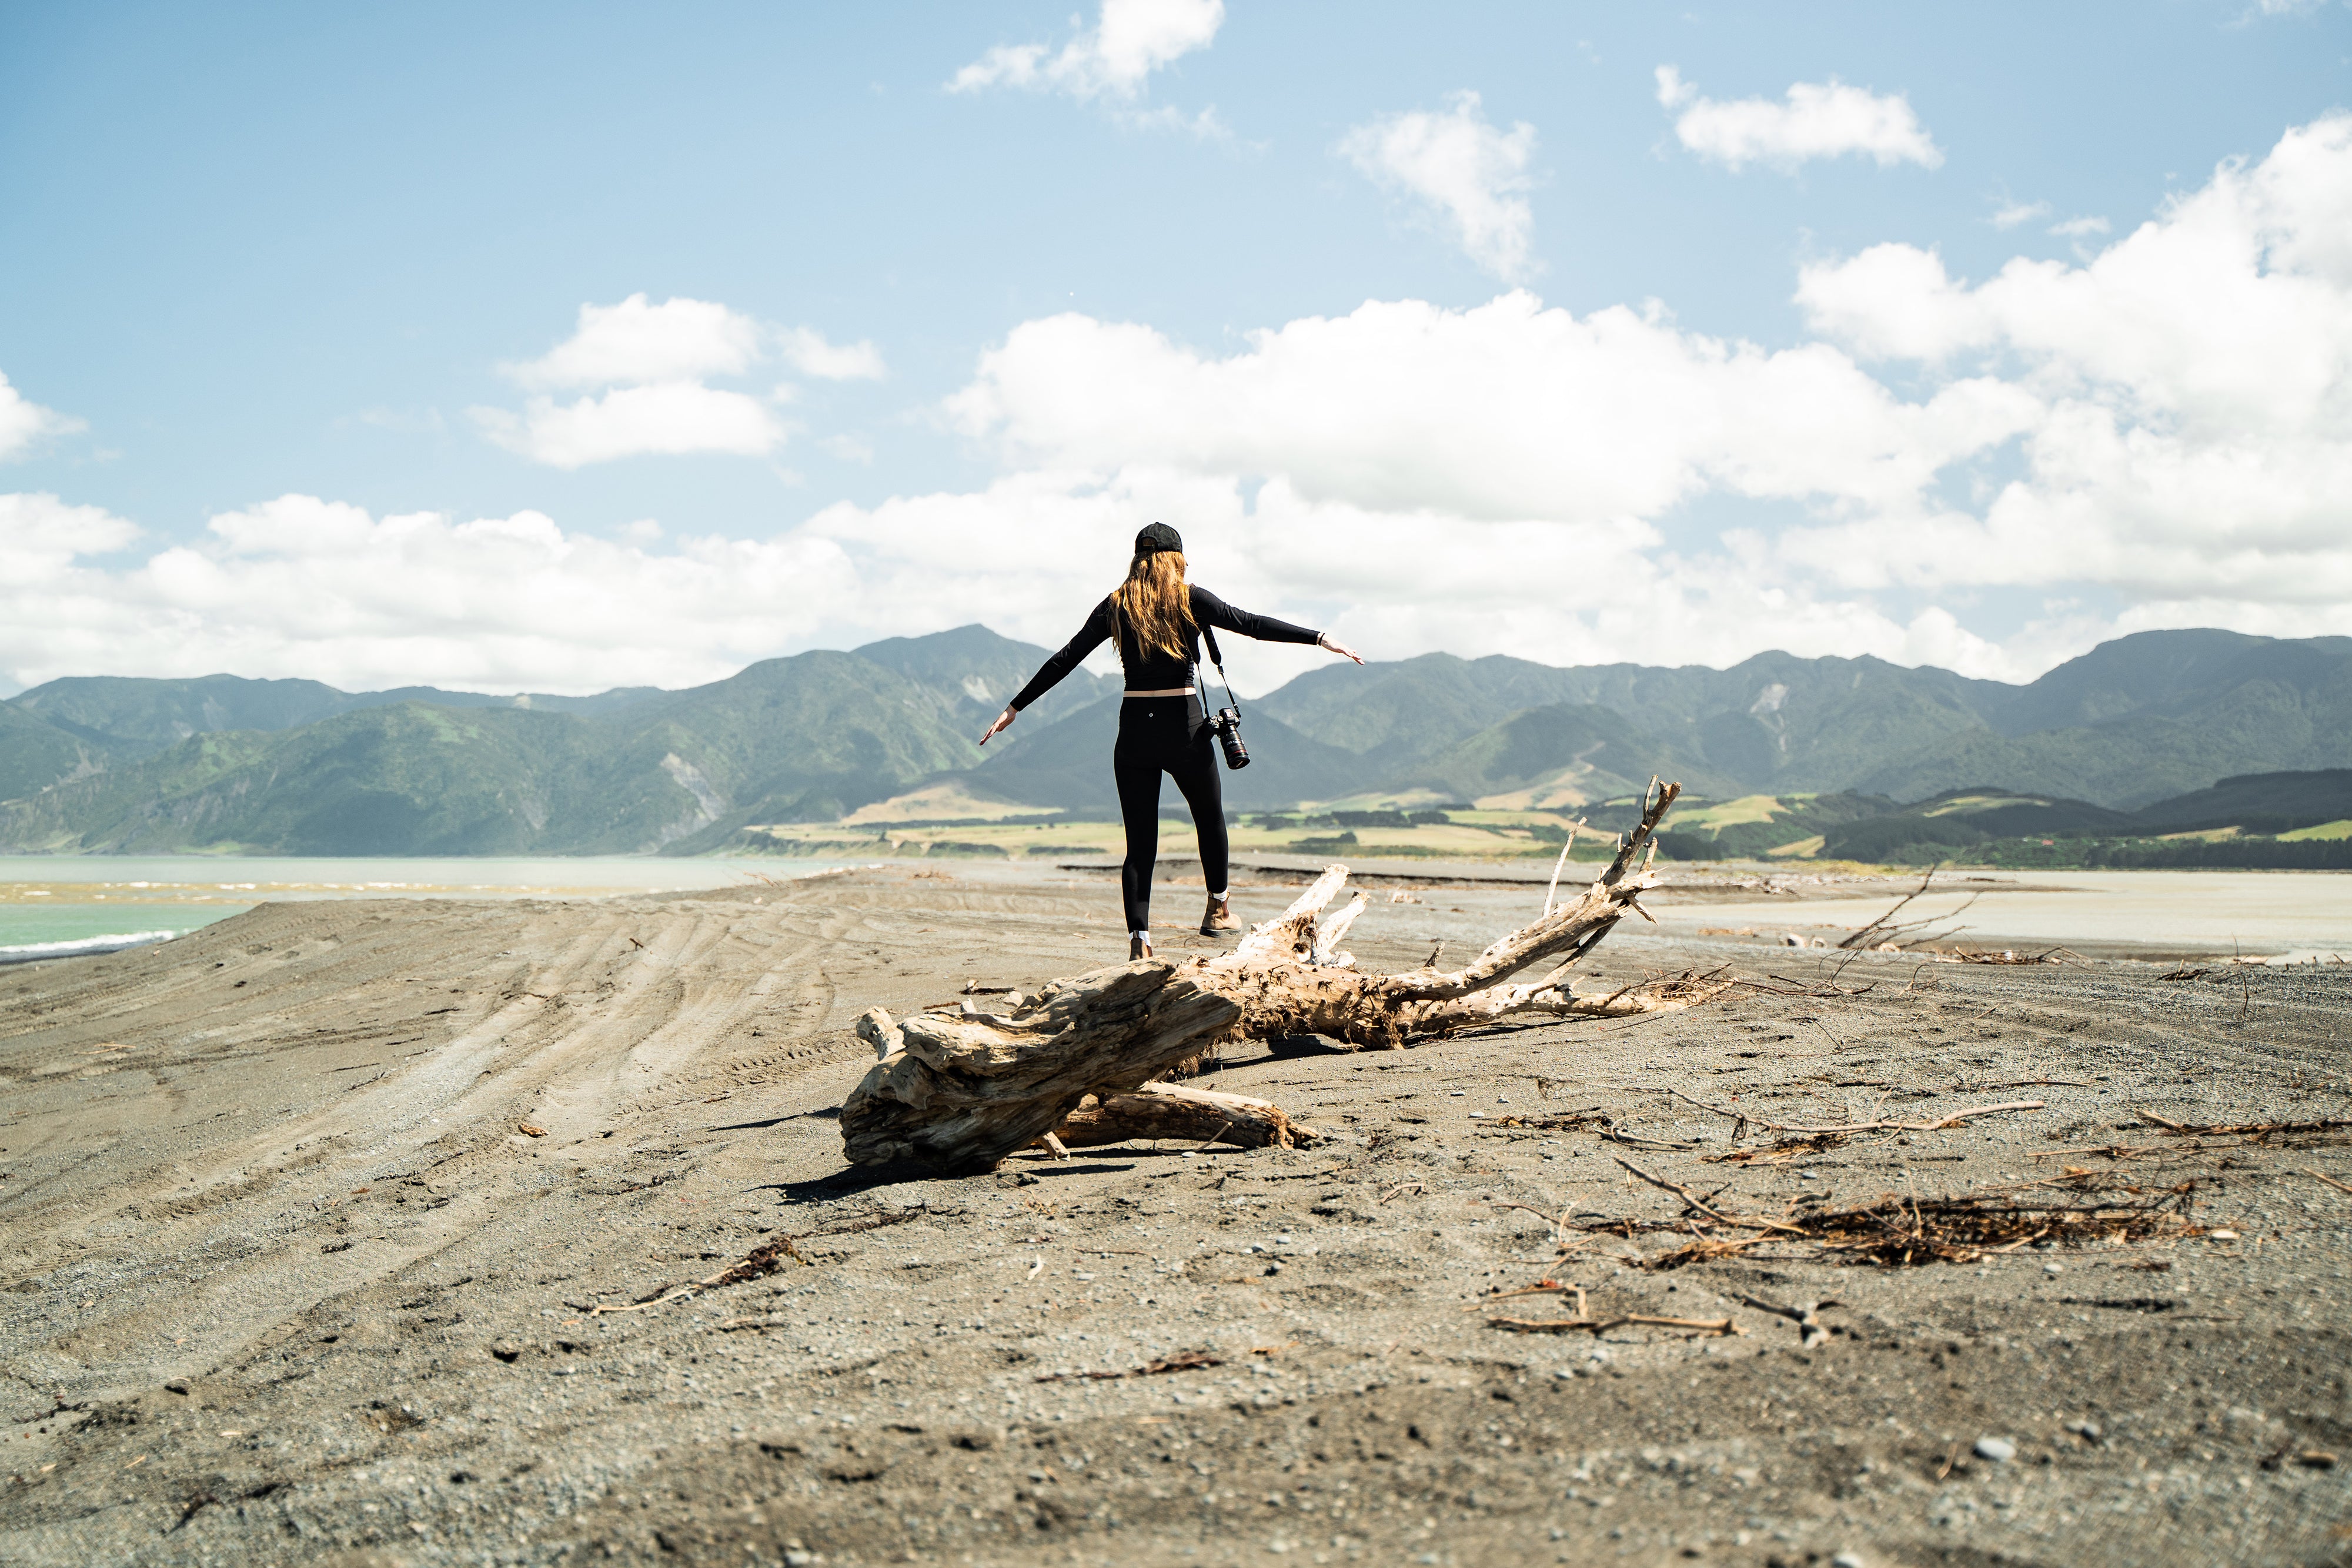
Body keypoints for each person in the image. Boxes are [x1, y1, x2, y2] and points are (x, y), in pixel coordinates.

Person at [980, 524, 1364, 961]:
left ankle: (1139, 943)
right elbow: (1252, 625)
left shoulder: (1116, 604)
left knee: (1140, 843)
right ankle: (1218, 907)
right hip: (1183, 725)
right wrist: (1319, 637)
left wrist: (1015, 707)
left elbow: (1067, 657)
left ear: (1138, 560)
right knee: (1209, 817)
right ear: (1176, 558)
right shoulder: (1190, 598)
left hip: (1135, 731)